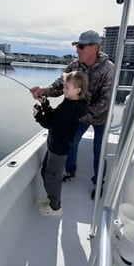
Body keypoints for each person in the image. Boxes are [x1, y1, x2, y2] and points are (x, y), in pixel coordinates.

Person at [31, 30, 114, 199]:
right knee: (72, 142)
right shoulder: (73, 66)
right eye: (77, 46)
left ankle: (98, 184)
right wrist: (43, 91)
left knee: (99, 150)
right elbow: (57, 87)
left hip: (101, 118)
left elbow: (104, 103)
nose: (77, 49)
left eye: (81, 46)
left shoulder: (109, 69)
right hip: (77, 115)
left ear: (94, 48)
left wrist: (73, 116)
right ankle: (70, 172)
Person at [33, 71, 88, 216]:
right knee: (46, 172)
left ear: (78, 90)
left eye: (67, 88)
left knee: (52, 177)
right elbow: (55, 116)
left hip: (59, 148)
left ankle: (55, 207)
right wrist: (45, 104)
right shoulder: (69, 102)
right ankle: (52, 199)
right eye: (64, 87)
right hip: (53, 145)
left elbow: (55, 124)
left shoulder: (74, 108)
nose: (63, 90)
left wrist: (38, 116)